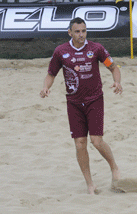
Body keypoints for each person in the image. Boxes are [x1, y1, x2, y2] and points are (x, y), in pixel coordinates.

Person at [40, 17, 122, 195]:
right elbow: (51, 73)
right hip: (74, 103)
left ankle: (114, 167)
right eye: (77, 31)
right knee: (79, 144)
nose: (81, 35)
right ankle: (90, 184)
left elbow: (114, 67)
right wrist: (46, 87)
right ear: (70, 32)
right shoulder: (61, 51)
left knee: (96, 141)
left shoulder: (96, 48)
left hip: (94, 100)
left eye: (84, 31)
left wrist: (117, 82)